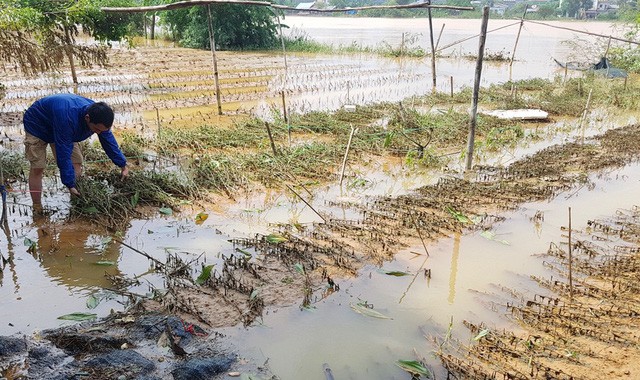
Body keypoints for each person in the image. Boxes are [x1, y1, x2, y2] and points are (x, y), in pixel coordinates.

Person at [23, 93, 129, 207]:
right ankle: (37, 207)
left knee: (76, 164)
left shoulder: (99, 116)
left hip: (62, 122)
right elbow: (63, 153)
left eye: (102, 130)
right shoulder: (68, 119)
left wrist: (123, 165)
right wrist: (69, 183)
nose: (98, 133)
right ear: (87, 118)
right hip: (37, 124)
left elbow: (108, 141)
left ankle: (76, 201)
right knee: (38, 168)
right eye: (96, 129)